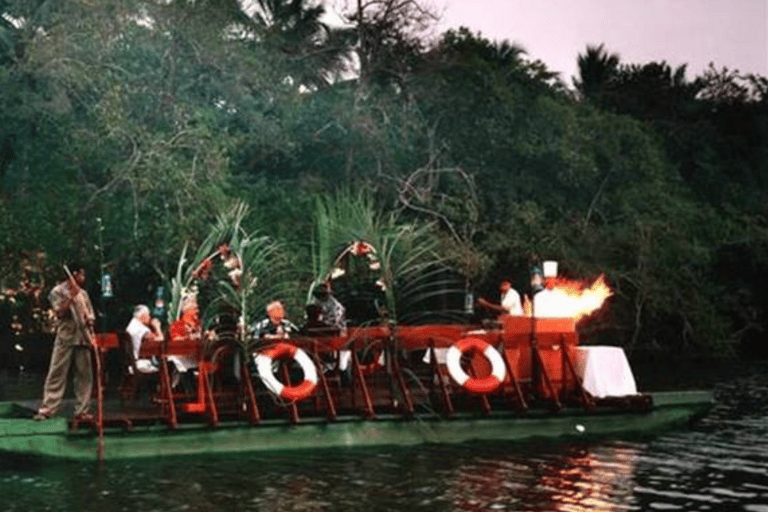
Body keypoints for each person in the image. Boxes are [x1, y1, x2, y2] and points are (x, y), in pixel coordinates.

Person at [34, 263, 95, 421]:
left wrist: (89, 321)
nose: (83, 278)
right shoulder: (57, 291)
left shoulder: (83, 294)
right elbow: (59, 313)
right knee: (57, 373)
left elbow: (91, 315)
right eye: (81, 274)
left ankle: (82, 410)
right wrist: (70, 297)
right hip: (66, 338)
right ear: (74, 274)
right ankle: (48, 409)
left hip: (83, 338)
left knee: (84, 376)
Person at [125, 304, 164, 374]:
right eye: (148, 315)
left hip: (131, 363)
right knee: (164, 366)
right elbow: (161, 340)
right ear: (143, 316)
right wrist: (157, 327)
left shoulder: (131, 325)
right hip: (140, 363)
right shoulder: (142, 329)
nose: (150, 318)